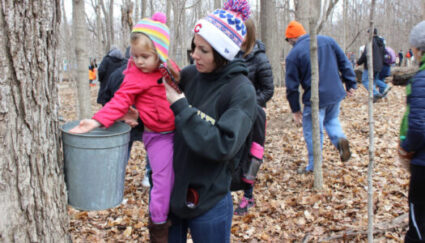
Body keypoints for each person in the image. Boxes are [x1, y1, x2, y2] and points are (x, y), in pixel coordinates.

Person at [69, 12, 178, 242]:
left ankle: (180, 213)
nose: (138, 61)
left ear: (160, 53)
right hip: (158, 135)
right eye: (135, 55)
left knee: (182, 175)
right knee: (162, 178)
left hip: (182, 130)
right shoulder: (135, 75)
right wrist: (97, 120)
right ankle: (159, 226)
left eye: (145, 56)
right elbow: (120, 100)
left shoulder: (170, 69)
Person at [163, 2, 257, 242]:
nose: (194, 55)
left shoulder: (241, 91)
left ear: (223, 51)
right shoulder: (190, 75)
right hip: (172, 192)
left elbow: (224, 144)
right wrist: (140, 118)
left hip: (209, 200)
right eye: (194, 47)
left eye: (203, 50)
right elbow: (165, 117)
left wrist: (182, 107)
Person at [284, 20, 357, 174]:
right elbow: (344, 62)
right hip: (335, 93)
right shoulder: (327, 41)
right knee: (331, 120)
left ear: (292, 39)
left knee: (312, 131)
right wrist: (351, 83)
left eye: (288, 40)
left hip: (315, 98)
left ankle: (313, 166)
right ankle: (340, 141)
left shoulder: (293, 55)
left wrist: (295, 109)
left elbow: (292, 87)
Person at [233, 17, 274, 216]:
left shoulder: (259, 57)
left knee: (253, 155)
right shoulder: (228, 54)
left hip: (255, 116)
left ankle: (248, 196)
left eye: (242, 32)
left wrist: (249, 103)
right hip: (234, 114)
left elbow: (268, 90)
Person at [102, 47, 152, 188]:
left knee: (125, 151)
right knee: (149, 148)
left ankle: (117, 179)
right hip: (137, 121)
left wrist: (115, 116)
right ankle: (147, 176)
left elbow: (106, 98)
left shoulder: (116, 74)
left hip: (129, 122)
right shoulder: (146, 75)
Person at [398, 20, 425, 243]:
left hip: (423, 165)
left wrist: (405, 148)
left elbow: (418, 127)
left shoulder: (420, 79)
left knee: (417, 226)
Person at [357, 28, 390, 102]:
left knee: (365, 80)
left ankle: (376, 93)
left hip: (370, 65)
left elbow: (365, 54)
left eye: (368, 33)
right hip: (379, 65)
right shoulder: (381, 43)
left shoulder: (370, 42)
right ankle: (376, 97)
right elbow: (383, 54)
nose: (367, 35)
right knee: (374, 81)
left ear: (370, 33)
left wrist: (358, 62)